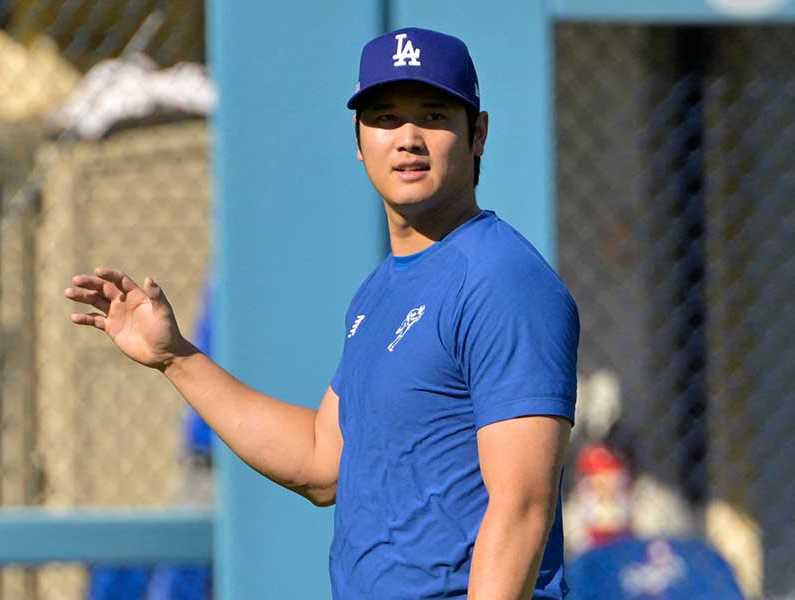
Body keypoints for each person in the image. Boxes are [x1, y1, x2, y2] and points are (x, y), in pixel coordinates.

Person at [65, 27, 579, 600]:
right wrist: (175, 357)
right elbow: (321, 461)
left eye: (433, 115)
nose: (407, 138)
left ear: (477, 133)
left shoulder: (502, 278)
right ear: (358, 141)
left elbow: (522, 508)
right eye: (383, 117)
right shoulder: (378, 293)